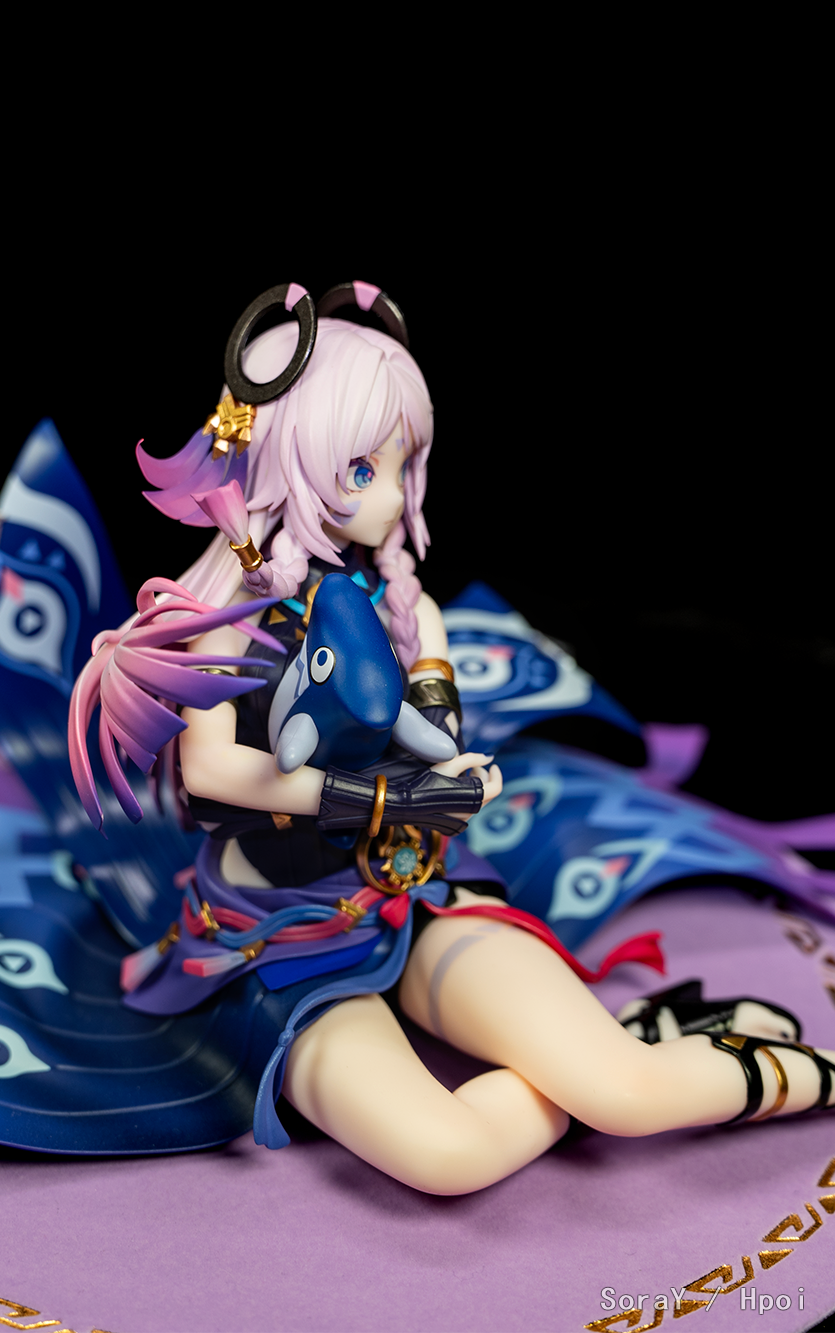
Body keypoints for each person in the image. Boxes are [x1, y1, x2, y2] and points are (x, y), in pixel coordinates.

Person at [69, 284, 834, 1195]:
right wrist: (383, 795)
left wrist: (449, 778)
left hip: (415, 890)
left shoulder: (406, 607)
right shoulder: (213, 623)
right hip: (275, 938)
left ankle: (725, 1063)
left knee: (628, 1094)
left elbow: (437, 740)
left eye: (404, 465)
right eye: (364, 468)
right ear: (288, 455)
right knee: (447, 1156)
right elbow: (211, 772)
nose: (394, 495)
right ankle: (634, 1045)